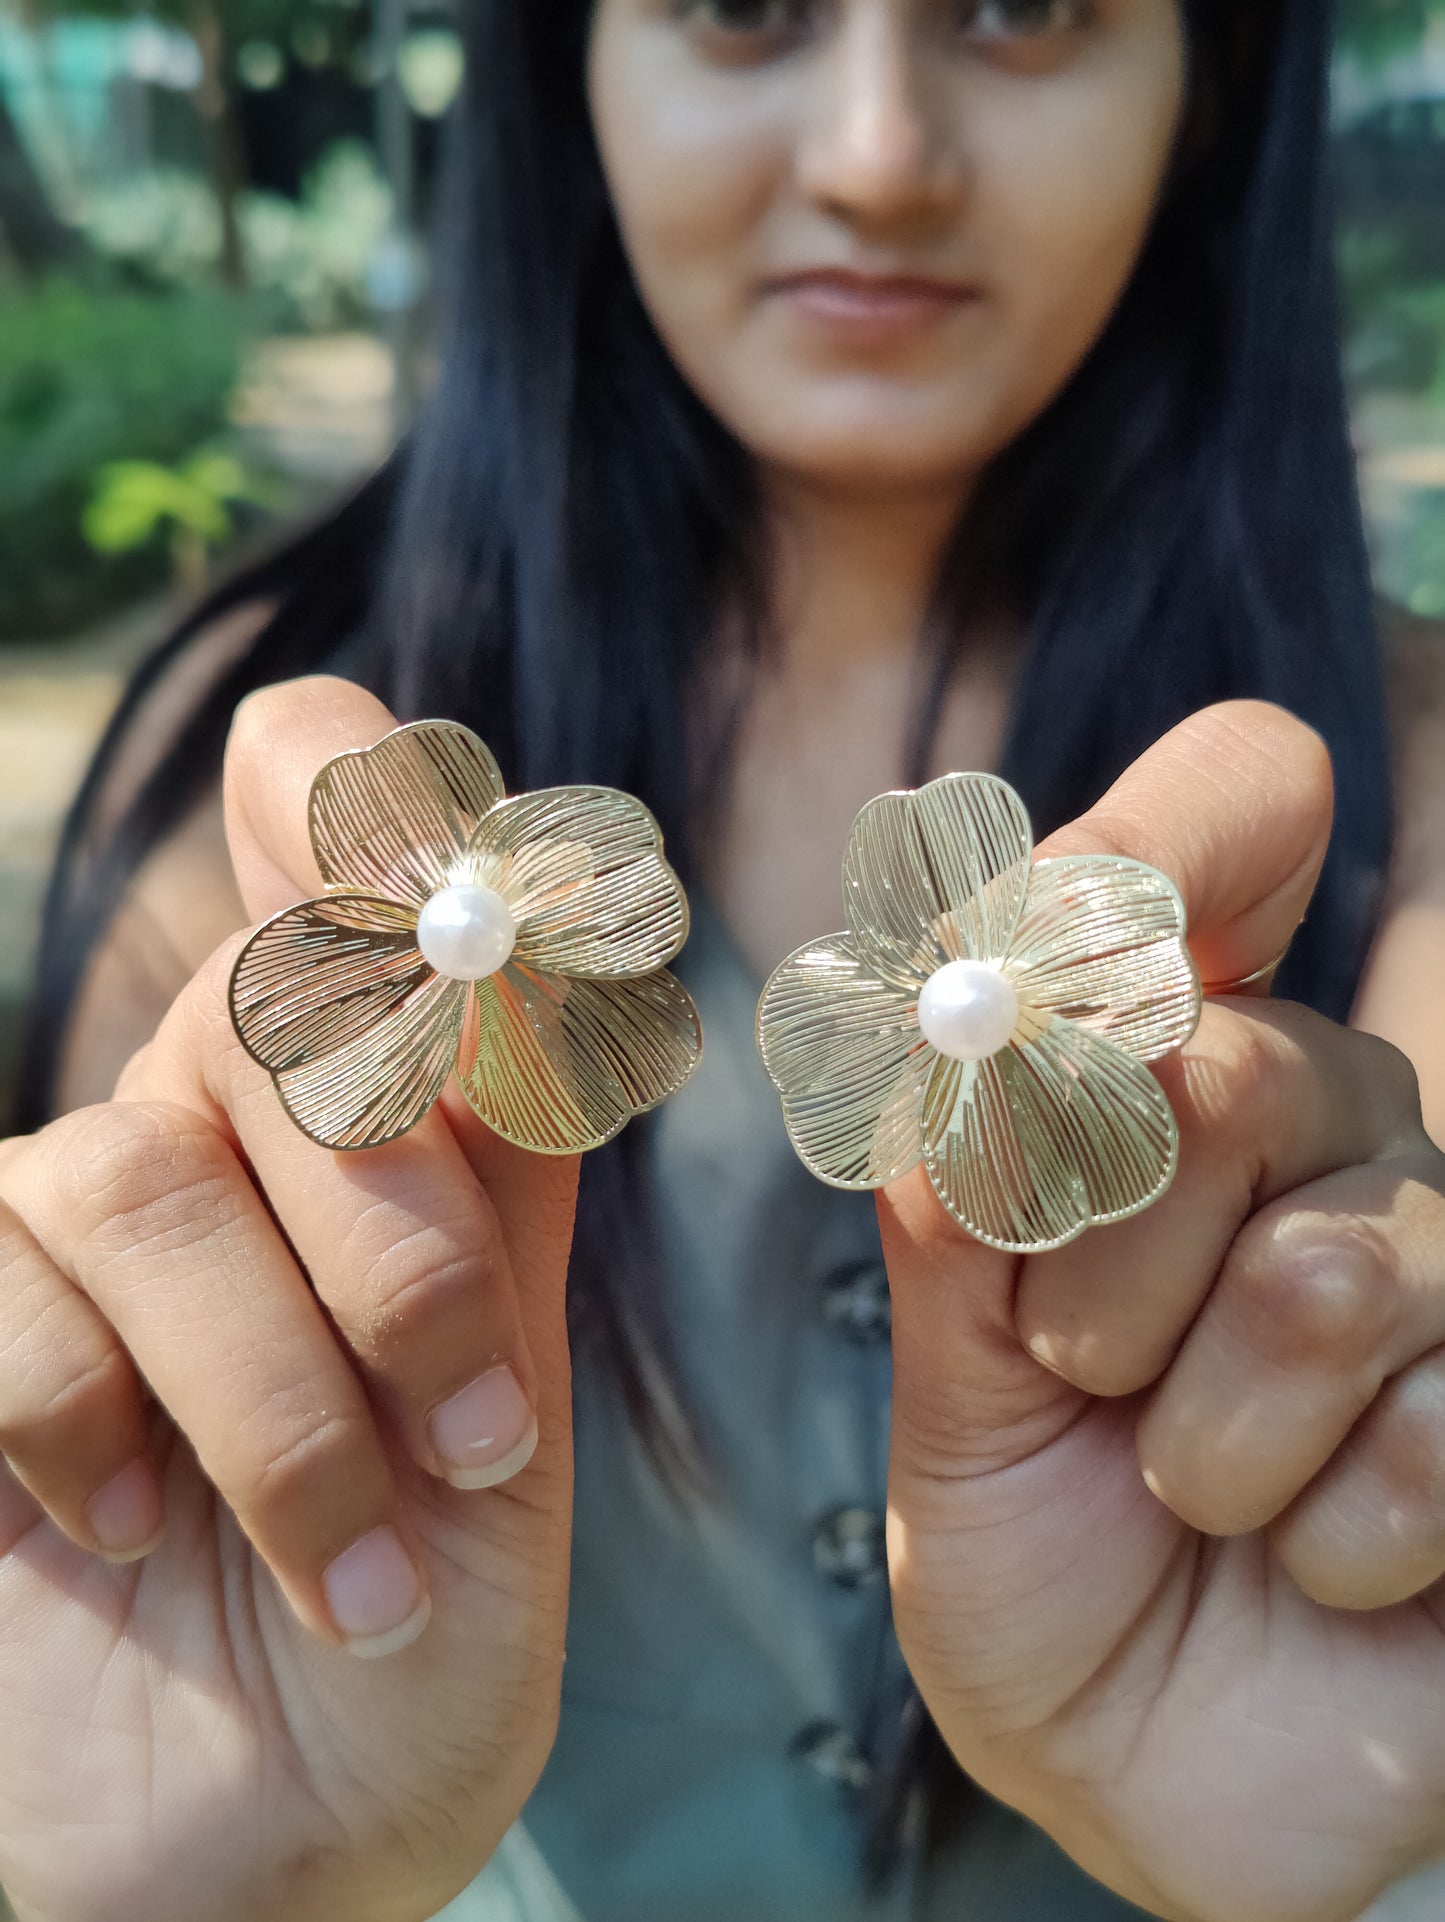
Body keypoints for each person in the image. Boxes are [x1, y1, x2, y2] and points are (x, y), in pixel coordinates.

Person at [2, 0, 1444, 1917]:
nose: (872, 152)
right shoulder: (242, 791)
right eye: (739, 5)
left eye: (1023, 9)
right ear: (561, 62)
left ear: (1212, 86)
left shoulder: (1409, 779)